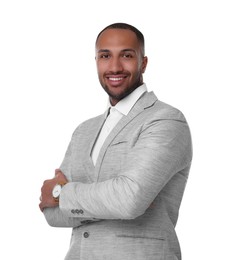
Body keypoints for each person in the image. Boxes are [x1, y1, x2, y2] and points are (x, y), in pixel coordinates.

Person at [39, 22, 192, 260]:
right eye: (105, 55)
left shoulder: (166, 120)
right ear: (97, 61)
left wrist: (60, 193)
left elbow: (128, 200)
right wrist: (112, 200)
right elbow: (53, 214)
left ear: (143, 62)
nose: (115, 66)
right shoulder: (83, 131)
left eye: (127, 55)